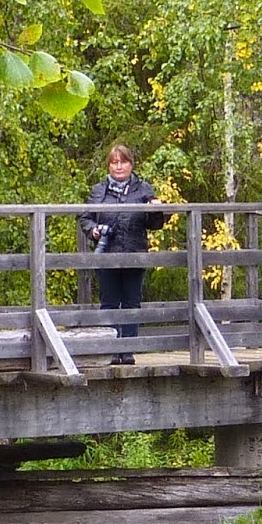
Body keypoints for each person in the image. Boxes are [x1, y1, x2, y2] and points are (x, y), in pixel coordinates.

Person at [79, 144, 164, 364]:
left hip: (135, 253)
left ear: (131, 164)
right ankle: (110, 350)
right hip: (106, 254)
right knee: (109, 302)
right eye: (114, 162)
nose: (119, 166)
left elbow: (156, 224)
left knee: (131, 303)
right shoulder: (98, 190)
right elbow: (85, 218)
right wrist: (94, 231)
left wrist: (158, 209)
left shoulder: (144, 189)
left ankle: (127, 351)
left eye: (123, 161)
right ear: (108, 165)